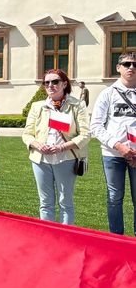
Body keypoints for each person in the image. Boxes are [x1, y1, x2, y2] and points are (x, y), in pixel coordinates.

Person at [23, 68, 90, 225]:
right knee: (45, 202)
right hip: (40, 160)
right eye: (47, 82)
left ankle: (67, 237)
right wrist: (36, 144)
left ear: (64, 84)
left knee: (65, 202)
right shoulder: (37, 106)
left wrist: (62, 147)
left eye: (55, 82)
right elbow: (27, 134)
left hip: (66, 158)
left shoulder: (77, 105)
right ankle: (49, 238)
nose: (50, 85)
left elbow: (85, 134)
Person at [90, 51, 136, 235]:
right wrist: (119, 146)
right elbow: (96, 126)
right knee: (114, 198)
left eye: (135, 64)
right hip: (113, 154)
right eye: (127, 64)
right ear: (118, 68)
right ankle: (116, 238)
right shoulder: (107, 94)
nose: (131, 67)